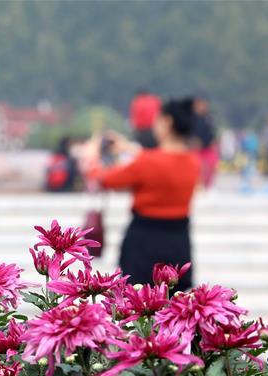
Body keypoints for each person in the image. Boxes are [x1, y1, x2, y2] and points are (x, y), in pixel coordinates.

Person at [82, 98, 200, 289]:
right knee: (174, 305)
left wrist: (92, 152)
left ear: (167, 122)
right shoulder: (193, 162)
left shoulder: (146, 163)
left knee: (136, 303)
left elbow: (103, 178)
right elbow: (161, 162)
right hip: (179, 241)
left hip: (144, 242)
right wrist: (127, 147)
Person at [191, 96, 217, 188]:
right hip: (196, 150)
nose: (203, 107)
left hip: (208, 149)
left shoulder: (209, 118)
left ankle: (207, 188)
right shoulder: (191, 119)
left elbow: (213, 134)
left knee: (208, 174)